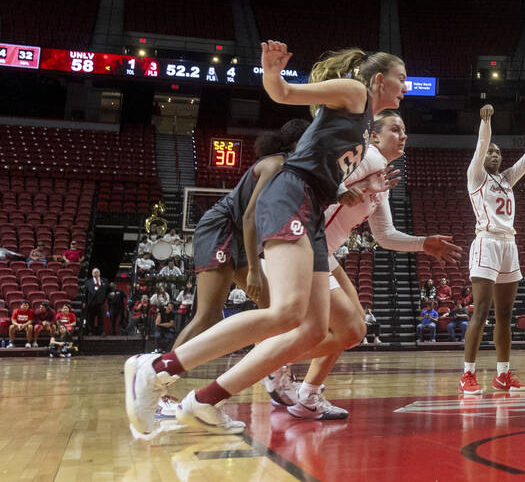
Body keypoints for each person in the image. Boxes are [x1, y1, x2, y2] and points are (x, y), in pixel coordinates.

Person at [124, 43, 408, 437]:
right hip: (291, 194)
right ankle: (155, 369)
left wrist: (346, 190)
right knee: (287, 312)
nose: (406, 87)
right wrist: (272, 72)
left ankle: (204, 401)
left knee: (310, 329)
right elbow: (284, 94)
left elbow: (327, 162)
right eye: (401, 77)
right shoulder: (355, 93)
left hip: (311, 206)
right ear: (379, 79)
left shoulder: (363, 125)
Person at [276, 109, 458, 419]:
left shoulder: (380, 172)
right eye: (395, 130)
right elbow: (317, 181)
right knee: (349, 330)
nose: (403, 136)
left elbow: (385, 236)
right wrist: (350, 188)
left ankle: (307, 393)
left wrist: (422, 243)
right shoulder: (368, 158)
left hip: (325, 252)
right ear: (373, 135)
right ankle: (277, 363)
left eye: (404, 131)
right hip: (305, 244)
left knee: (355, 327)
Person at [171, 120, 310, 359]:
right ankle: (157, 375)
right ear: (299, 142)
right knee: (208, 316)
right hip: (222, 227)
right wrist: (254, 269)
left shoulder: (291, 170)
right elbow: (249, 217)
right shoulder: (276, 164)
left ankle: (271, 374)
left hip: (240, 234)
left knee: (273, 309)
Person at [459, 97, 525, 395]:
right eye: (491, 151)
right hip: (486, 242)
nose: (495, 154)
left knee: (505, 314)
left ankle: (502, 374)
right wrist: (486, 122)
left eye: (499, 152)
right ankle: (468, 374)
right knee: (482, 309)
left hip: (508, 245)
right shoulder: (476, 177)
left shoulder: (507, 179)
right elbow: (480, 145)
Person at [84, 268, 109, 336]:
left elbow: (107, 292)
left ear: (99, 273)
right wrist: (85, 302)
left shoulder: (105, 281)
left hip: (101, 303)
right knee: (91, 318)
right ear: (92, 274)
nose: (96, 273)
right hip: (91, 303)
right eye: (94, 272)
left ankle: (101, 332)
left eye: (97, 272)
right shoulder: (88, 282)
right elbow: (85, 293)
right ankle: (90, 331)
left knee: (101, 318)